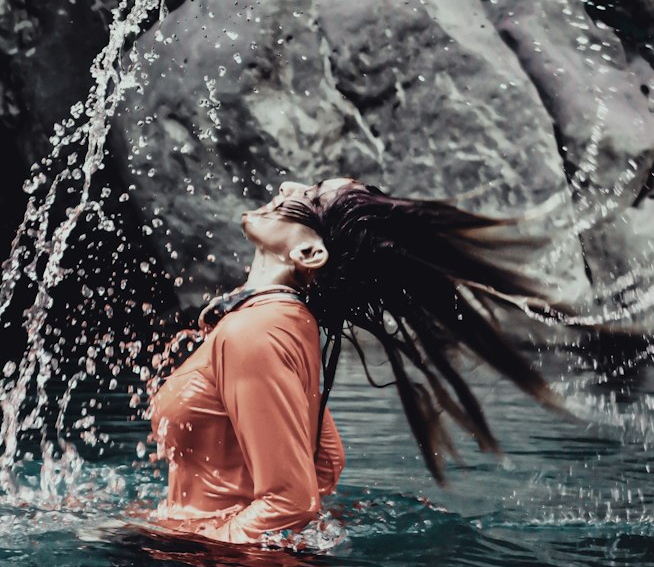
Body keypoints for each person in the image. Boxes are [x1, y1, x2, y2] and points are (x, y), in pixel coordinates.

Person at [148, 177, 566, 545]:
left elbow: (289, 504)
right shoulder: (285, 324)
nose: (287, 187)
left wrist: (171, 548)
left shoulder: (258, 332)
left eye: (310, 199)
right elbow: (324, 466)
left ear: (310, 254)